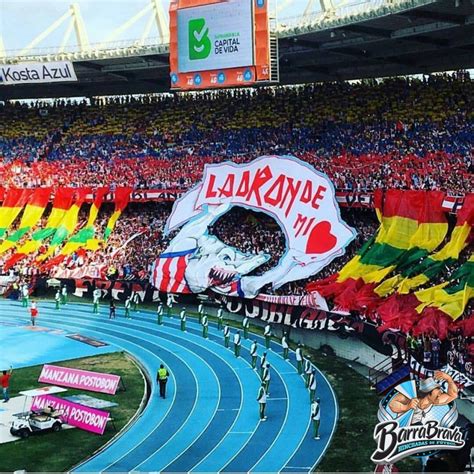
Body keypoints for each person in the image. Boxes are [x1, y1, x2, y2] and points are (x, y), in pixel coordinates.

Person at [388, 371, 458, 425]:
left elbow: (453, 395)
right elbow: (391, 404)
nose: (440, 393)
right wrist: (406, 407)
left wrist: (449, 380)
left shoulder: (434, 401)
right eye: (437, 390)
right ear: (428, 392)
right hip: (402, 424)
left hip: (416, 427)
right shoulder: (411, 397)